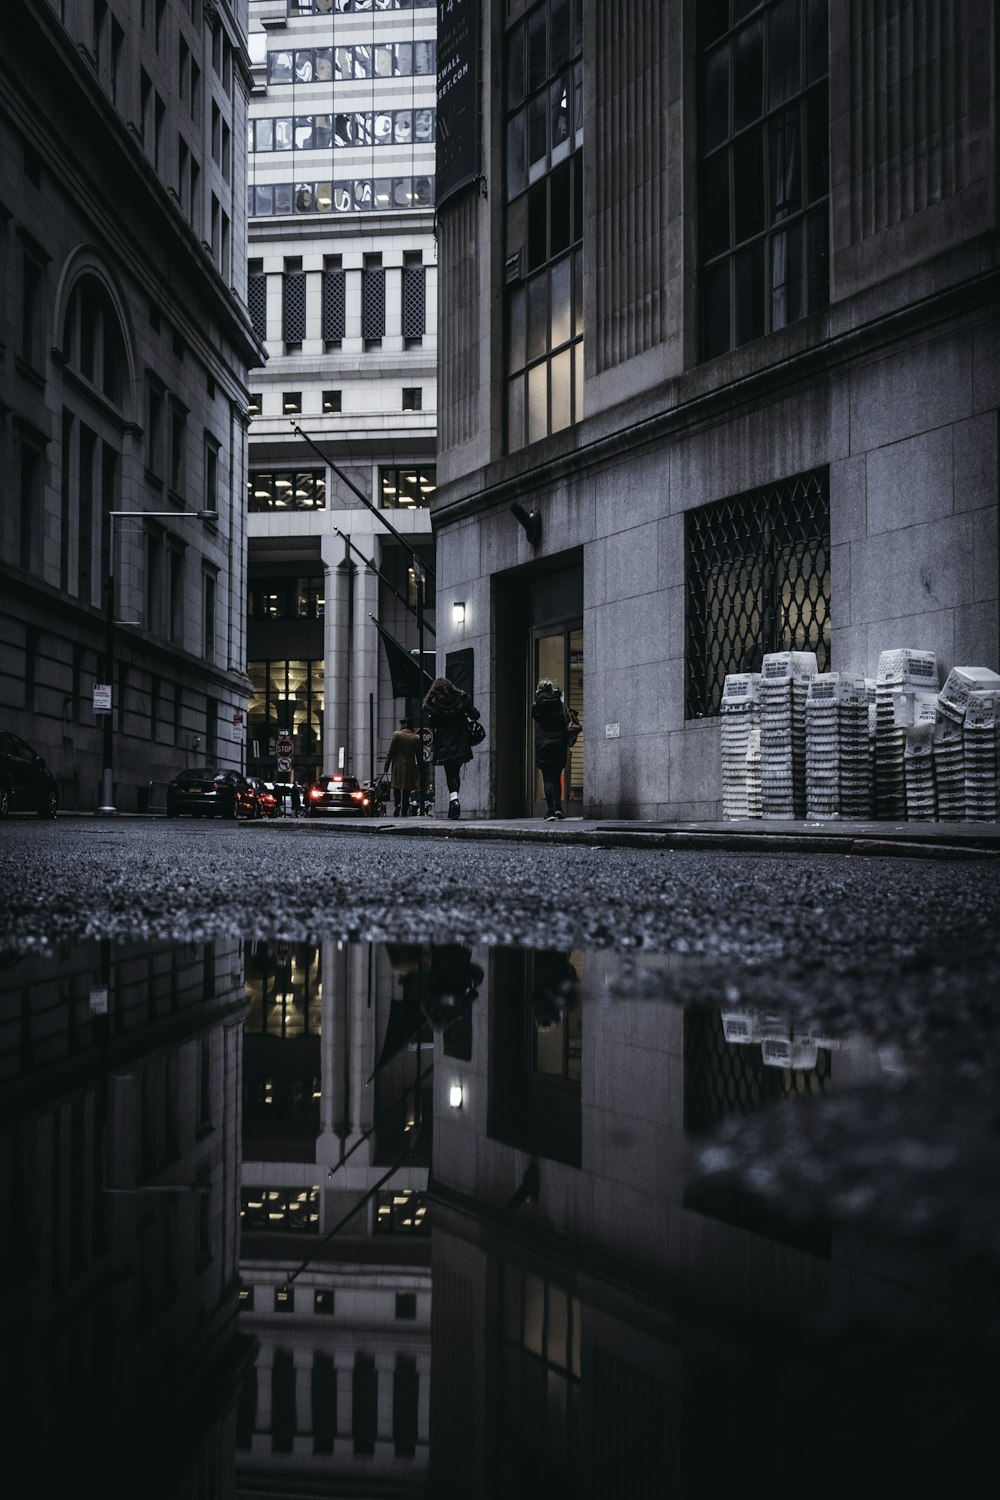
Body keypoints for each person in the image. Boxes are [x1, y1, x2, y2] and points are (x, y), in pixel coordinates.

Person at [423, 676, 480, 820]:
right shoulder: (460, 699)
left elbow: (432, 724)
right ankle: (453, 802)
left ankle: (454, 801)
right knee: (455, 771)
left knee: (450, 773)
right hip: (460, 739)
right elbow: (475, 714)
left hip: (444, 741)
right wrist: (465, 713)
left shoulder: (435, 703)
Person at [532, 678, 570, 820]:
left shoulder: (537, 705)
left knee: (547, 778)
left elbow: (537, 719)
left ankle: (551, 811)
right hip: (559, 742)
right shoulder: (559, 704)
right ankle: (559, 808)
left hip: (543, 743)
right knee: (556, 776)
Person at [383, 716, 421, 817]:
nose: (400, 725)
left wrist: (386, 765)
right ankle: (404, 808)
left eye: (402, 723)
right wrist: (420, 769)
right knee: (407, 789)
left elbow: (390, 752)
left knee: (396, 786)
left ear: (405, 725)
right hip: (410, 765)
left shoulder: (396, 735)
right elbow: (418, 755)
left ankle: (397, 804)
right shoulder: (415, 737)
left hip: (398, 764)